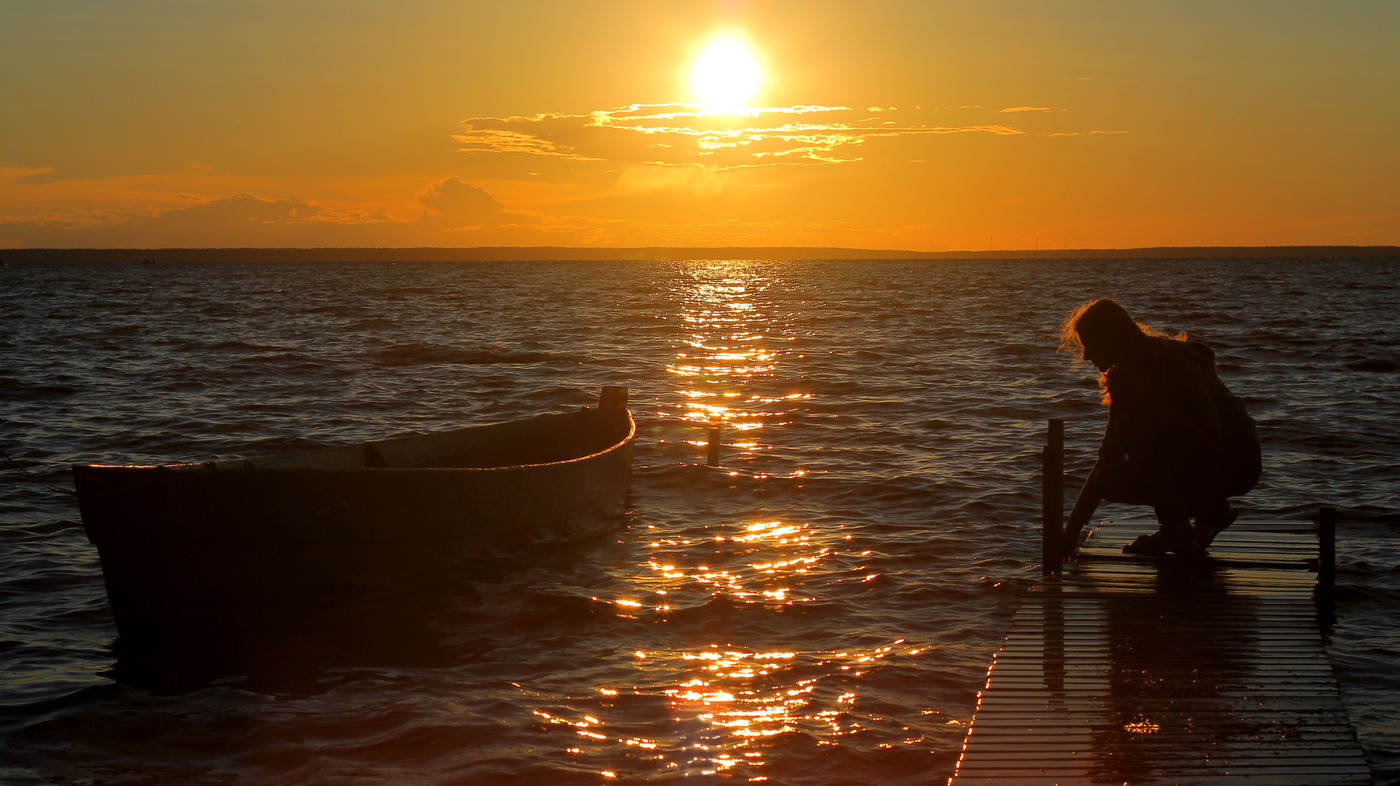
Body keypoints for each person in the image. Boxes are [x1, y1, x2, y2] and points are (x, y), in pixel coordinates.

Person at [1058, 298, 1261, 558]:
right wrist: (1072, 529)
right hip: (1200, 463)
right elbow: (1108, 456)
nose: (1085, 355)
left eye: (1090, 344)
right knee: (1108, 479)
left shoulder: (1171, 360)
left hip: (1238, 462)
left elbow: (1209, 428)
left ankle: (1178, 529)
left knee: (1134, 427)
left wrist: (1151, 413)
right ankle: (1211, 512)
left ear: (1111, 338)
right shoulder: (1124, 377)